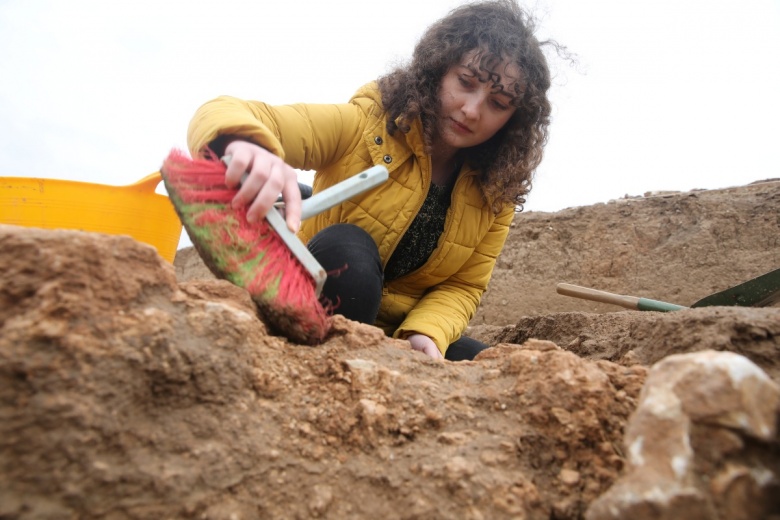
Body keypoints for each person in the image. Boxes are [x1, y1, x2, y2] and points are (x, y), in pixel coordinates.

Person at [186, 0, 554, 361]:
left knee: (489, 364)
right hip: (314, 300)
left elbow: (463, 285)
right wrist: (244, 143)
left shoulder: (496, 191)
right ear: (438, 69)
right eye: (465, 82)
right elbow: (228, 110)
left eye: (499, 103)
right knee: (350, 248)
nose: (472, 110)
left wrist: (427, 331)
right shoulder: (369, 124)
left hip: (395, 333)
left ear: (514, 120)